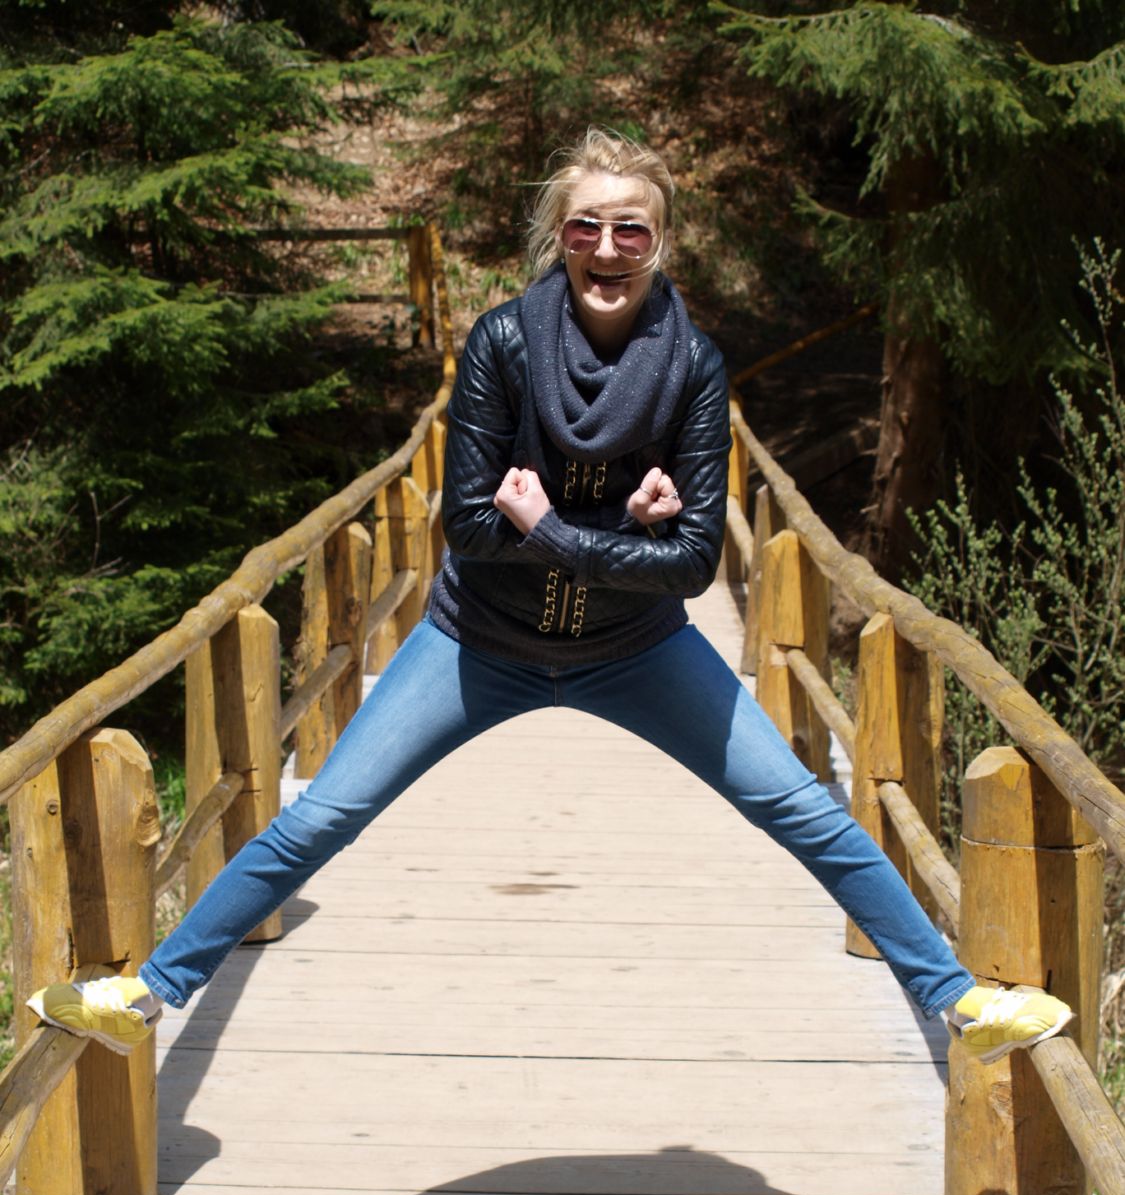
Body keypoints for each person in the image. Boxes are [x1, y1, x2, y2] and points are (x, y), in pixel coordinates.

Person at [26, 127, 1071, 1067]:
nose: (607, 248)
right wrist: (624, 535)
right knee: (324, 817)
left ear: (661, 243)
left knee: (804, 812)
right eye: (586, 227)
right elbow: (471, 534)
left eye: (631, 230)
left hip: (637, 649)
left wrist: (556, 530)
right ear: (559, 238)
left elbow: (692, 567)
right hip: (478, 643)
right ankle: (148, 995)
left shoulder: (694, 367)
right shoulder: (502, 345)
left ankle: (958, 1000)